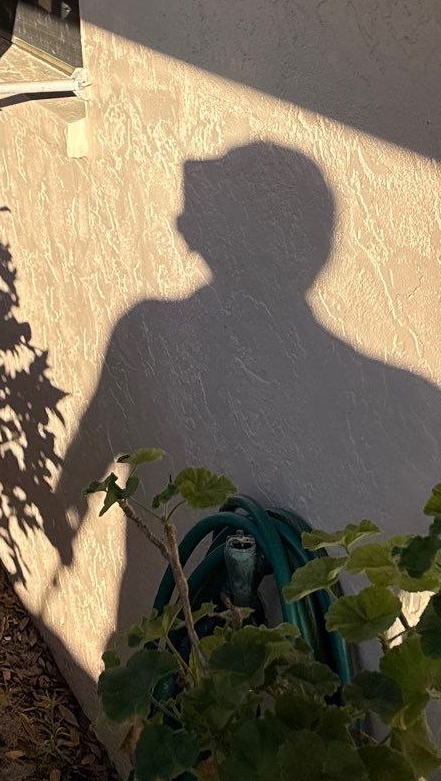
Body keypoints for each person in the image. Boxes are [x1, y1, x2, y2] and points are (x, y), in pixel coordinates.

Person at [50, 141, 441, 641]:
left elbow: (94, 436)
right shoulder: (402, 395)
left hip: (185, 611)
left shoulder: (148, 324)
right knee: (169, 672)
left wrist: (66, 506)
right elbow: (98, 429)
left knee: (166, 671)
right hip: (178, 598)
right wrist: (69, 500)